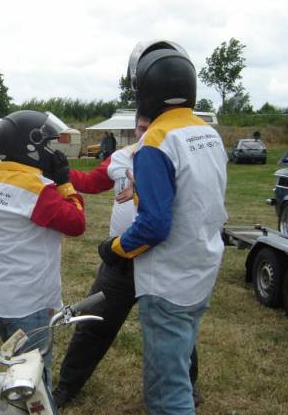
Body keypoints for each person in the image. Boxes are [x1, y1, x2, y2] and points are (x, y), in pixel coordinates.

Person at [98, 40, 228, 414]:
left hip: (167, 281)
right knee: (180, 367)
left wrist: (116, 248)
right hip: (201, 270)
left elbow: (154, 224)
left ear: (146, 92)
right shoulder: (207, 133)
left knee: (167, 393)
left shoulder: (155, 141)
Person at [53, 115, 200, 408]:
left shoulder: (175, 157)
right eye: (142, 128)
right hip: (120, 260)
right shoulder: (121, 157)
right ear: (135, 129)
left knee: (171, 329)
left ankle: (186, 388)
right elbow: (93, 182)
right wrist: (62, 174)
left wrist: (142, 187)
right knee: (93, 324)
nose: (146, 134)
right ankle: (65, 389)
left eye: (151, 128)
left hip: (160, 258)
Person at [0, 110, 85, 388]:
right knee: (36, 380)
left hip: (0, 297)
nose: (51, 152)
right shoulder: (38, 189)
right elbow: (76, 223)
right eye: (46, 145)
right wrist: (64, 183)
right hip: (29, 301)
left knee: (17, 367)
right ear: (32, 147)